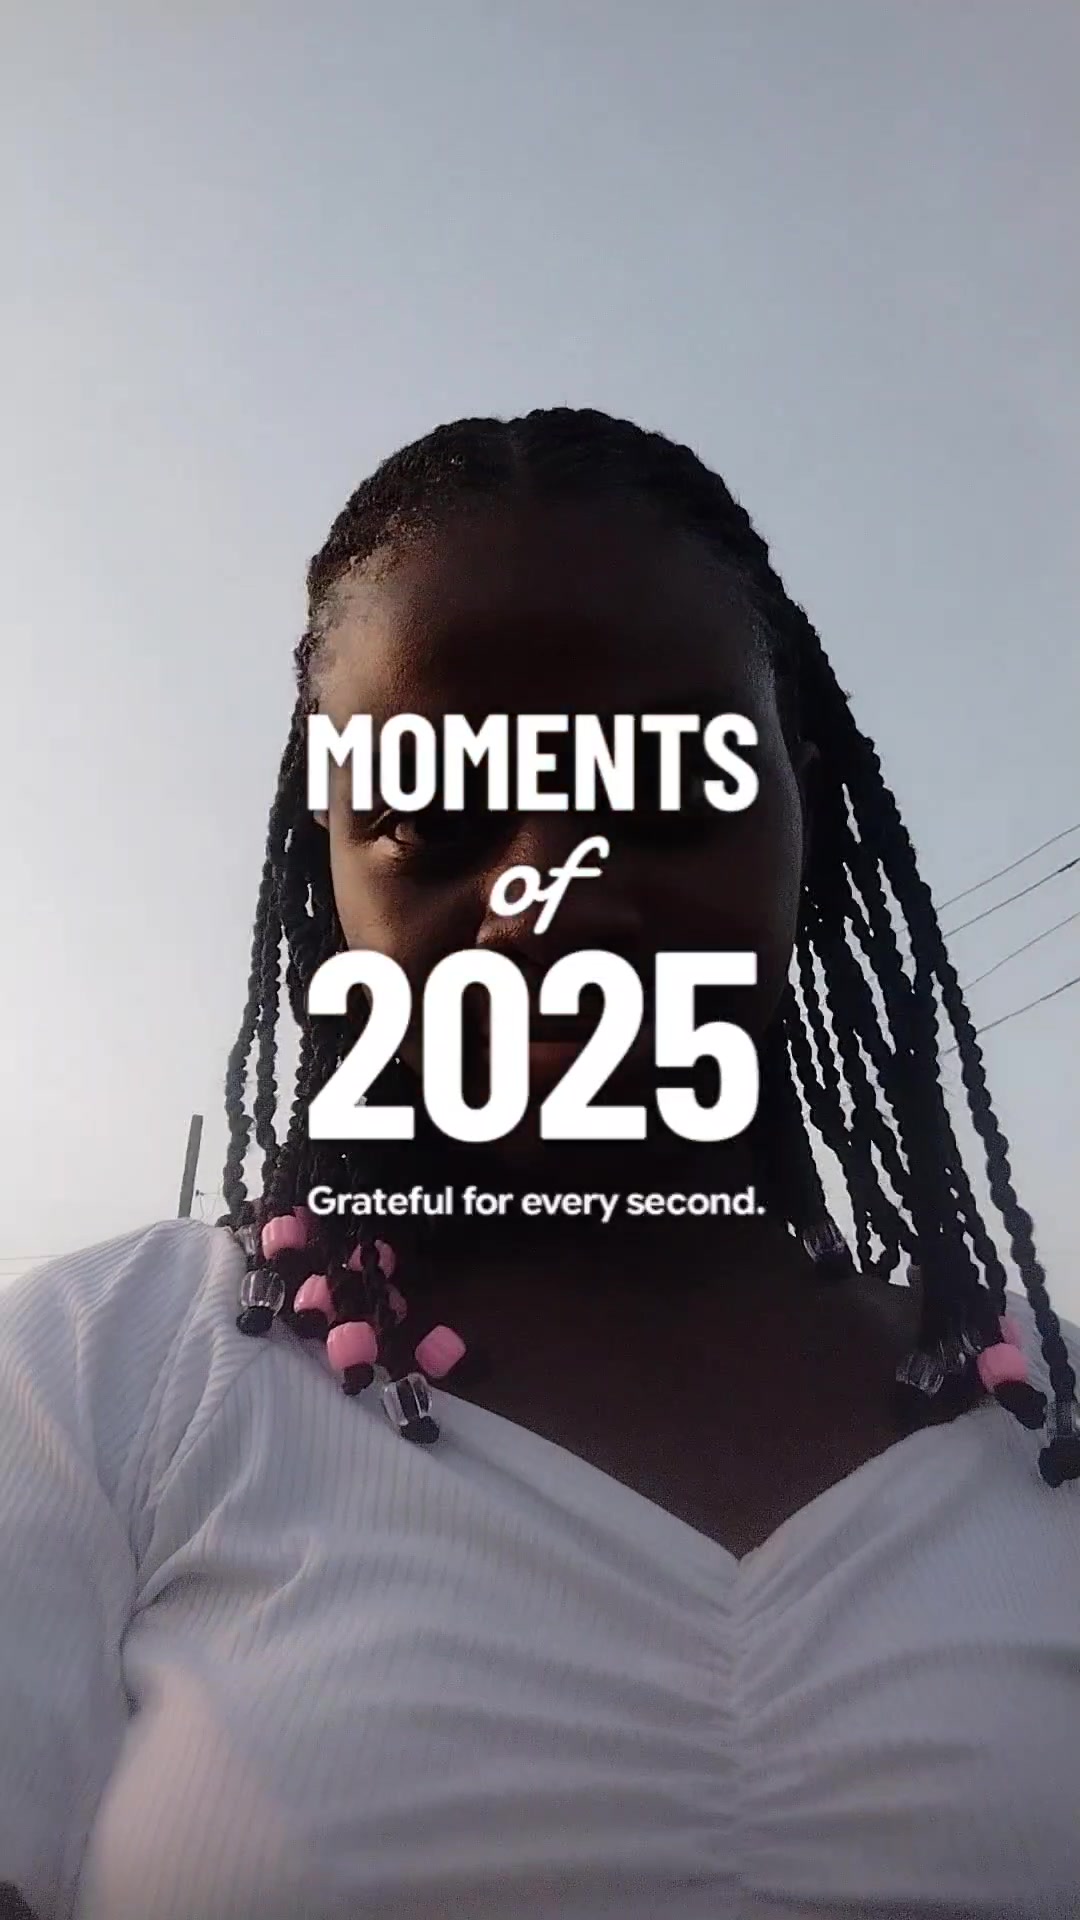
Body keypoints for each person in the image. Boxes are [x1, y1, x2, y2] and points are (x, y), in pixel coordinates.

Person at [2, 408, 1078, 1920]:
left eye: (667, 789)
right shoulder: (100, 1377)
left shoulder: (1045, 1429)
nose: (549, 892)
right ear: (328, 862)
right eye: (436, 810)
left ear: (805, 813)